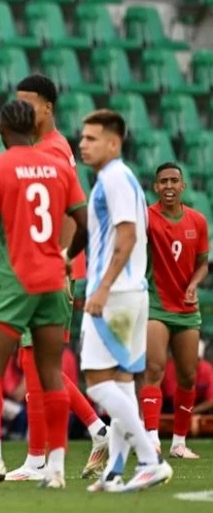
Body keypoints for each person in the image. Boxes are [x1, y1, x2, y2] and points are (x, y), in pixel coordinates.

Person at [0, 100, 88, 491]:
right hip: (52, 281)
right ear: (34, 127)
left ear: (2, 129)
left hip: (12, 282)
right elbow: (83, 223)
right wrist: (66, 258)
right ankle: (57, 468)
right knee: (52, 374)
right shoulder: (59, 167)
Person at [9, 75, 108, 482]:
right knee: (31, 361)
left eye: (28, 103)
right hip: (38, 267)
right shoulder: (46, 148)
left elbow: (71, 212)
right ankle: (44, 454)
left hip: (52, 271)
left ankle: (89, 433)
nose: (21, 110)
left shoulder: (52, 149)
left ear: (47, 106)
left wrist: (65, 263)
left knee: (41, 362)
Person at [78, 110, 173, 493]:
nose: (83, 144)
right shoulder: (125, 178)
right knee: (121, 383)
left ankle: (151, 459)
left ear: (113, 143)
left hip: (114, 295)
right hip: (134, 294)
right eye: (82, 137)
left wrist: (101, 289)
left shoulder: (114, 178)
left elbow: (128, 236)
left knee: (97, 383)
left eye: (92, 138)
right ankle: (115, 470)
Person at [140, 162, 209, 459]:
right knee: (154, 368)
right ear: (156, 187)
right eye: (163, 181)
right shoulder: (147, 218)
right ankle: (151, 438)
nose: (169, 186)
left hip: (186, 309)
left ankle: (179, 442)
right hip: (156, 304)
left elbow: (203, 263)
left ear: (183, 186)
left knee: (188, 376)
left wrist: (194, 284)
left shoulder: (198, 221)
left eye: (174, 181)